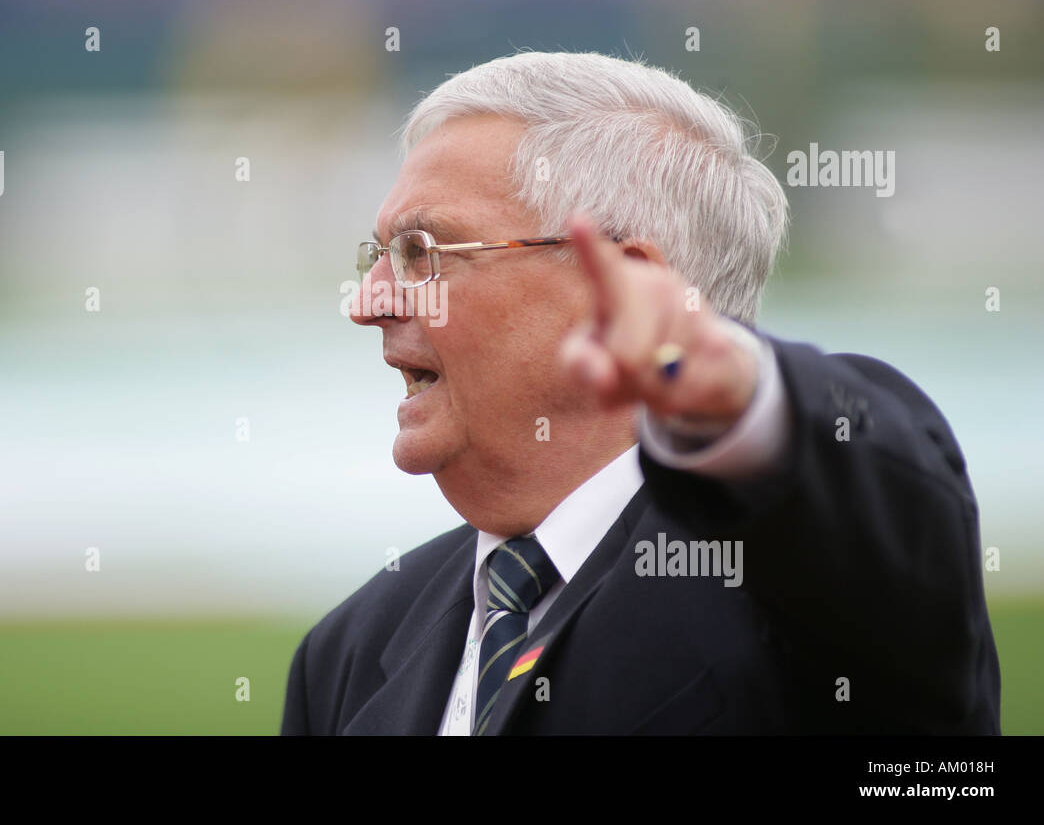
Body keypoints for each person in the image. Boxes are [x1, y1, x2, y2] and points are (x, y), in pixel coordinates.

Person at [281, 51, 1000, 735]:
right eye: (378, 257)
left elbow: (885, 512)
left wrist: (743, 393)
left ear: (611, 288)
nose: (368, 301)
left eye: (421, 253)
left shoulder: (802, 586)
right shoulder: (346, 655)